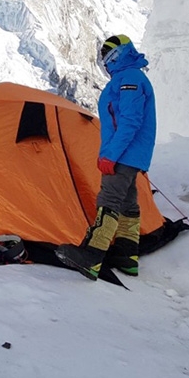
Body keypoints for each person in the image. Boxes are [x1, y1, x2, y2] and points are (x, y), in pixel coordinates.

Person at [56, 34, 156, 280]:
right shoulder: (127, 77)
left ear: (122, 53)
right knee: (127, 202)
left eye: (110, 55)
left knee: (109, 199)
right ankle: (126, 255)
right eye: (104, 57)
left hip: (124, 153)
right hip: (130, 154)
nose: (106, 61)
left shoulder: (130, 79)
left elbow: (130, 121)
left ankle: (92, 256)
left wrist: (110, 155)